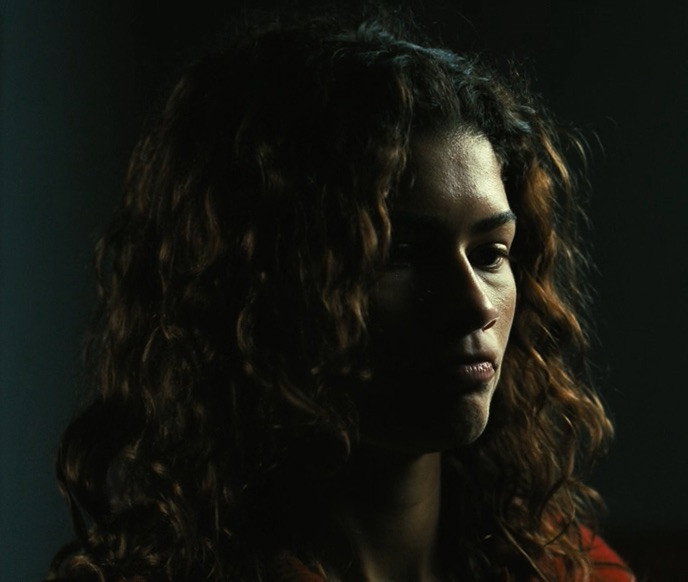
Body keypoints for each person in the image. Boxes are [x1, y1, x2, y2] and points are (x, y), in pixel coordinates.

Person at [48, 12, 632, 582]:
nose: (475, 305)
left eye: (489, 254)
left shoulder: (566, 567)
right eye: (400, 254)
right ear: (263, 283)